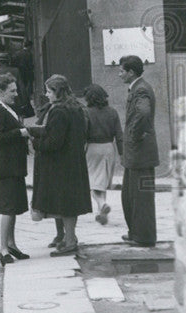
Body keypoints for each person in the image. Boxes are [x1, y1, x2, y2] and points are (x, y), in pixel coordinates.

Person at [30, 74, 92, 256]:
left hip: (61, 164)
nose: (47, 95)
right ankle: (67, 237)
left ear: (58, 92)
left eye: (49, 91)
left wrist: (35, 142)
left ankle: (70, 241)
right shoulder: (77, 108)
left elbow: (54, 142)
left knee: (65, 203)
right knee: (69, 201)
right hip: (74, 161)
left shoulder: (59, 112)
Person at [0, 73, 31, 264]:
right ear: (1, 91)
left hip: (12, 164)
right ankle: (3, 248)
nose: (16, 94)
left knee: (13, 207)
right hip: (5, 166)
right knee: (7, 208)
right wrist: (19, 132)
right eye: (12, 91)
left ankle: (11, 244)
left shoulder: (6, 107)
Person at [119, 55, 158, 247]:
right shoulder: (138, 87)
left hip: (140, 154)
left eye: (121, 71)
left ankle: (143, 237)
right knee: (131, 196)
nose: (119, 74)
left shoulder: (140, 89)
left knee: (140, 197)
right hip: (137, 154)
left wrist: (133, 136)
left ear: (131, 72)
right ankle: (136, 232)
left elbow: (143, 113)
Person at [83, 84, 124, 225]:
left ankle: (101, 204)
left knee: (93, 182)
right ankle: (101, 213)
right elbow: (119, 135)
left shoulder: (86, 112)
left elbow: (83, 133)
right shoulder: (112, 112)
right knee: (102, 181)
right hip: (109, 148)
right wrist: (122, 153)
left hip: (93, 148)